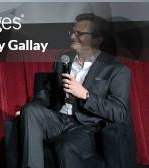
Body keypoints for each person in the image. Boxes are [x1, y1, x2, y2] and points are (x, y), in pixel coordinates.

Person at [19, 13, 131, 168]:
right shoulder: (63, 60)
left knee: (65, 147)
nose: (73, 36)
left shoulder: (116, 69)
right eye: (72, 32)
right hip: (59, 119)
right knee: (30, 110)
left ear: (97, 39)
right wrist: (27, 110)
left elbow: (119, 113)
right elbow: (48, 92)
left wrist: (85, 95)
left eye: (80, 34)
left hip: (86, 126)